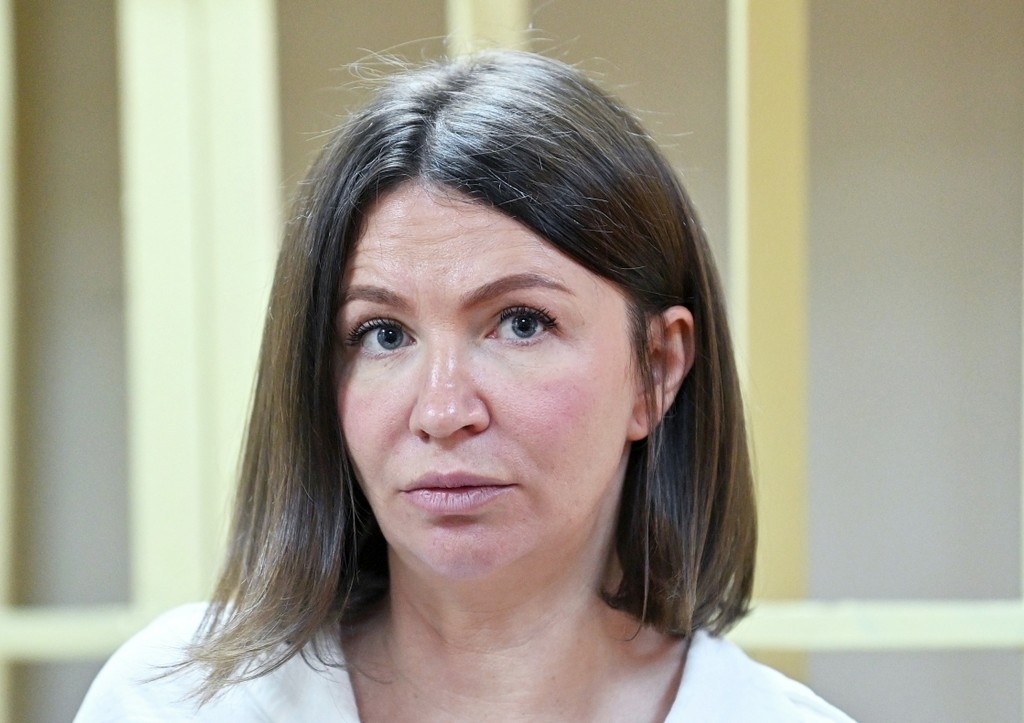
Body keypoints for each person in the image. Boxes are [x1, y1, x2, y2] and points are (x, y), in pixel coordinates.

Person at [76, 50, 853, 721]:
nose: (443, 410)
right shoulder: (174, 702)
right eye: (383, 334)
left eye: (521, 322)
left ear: (656, 369)